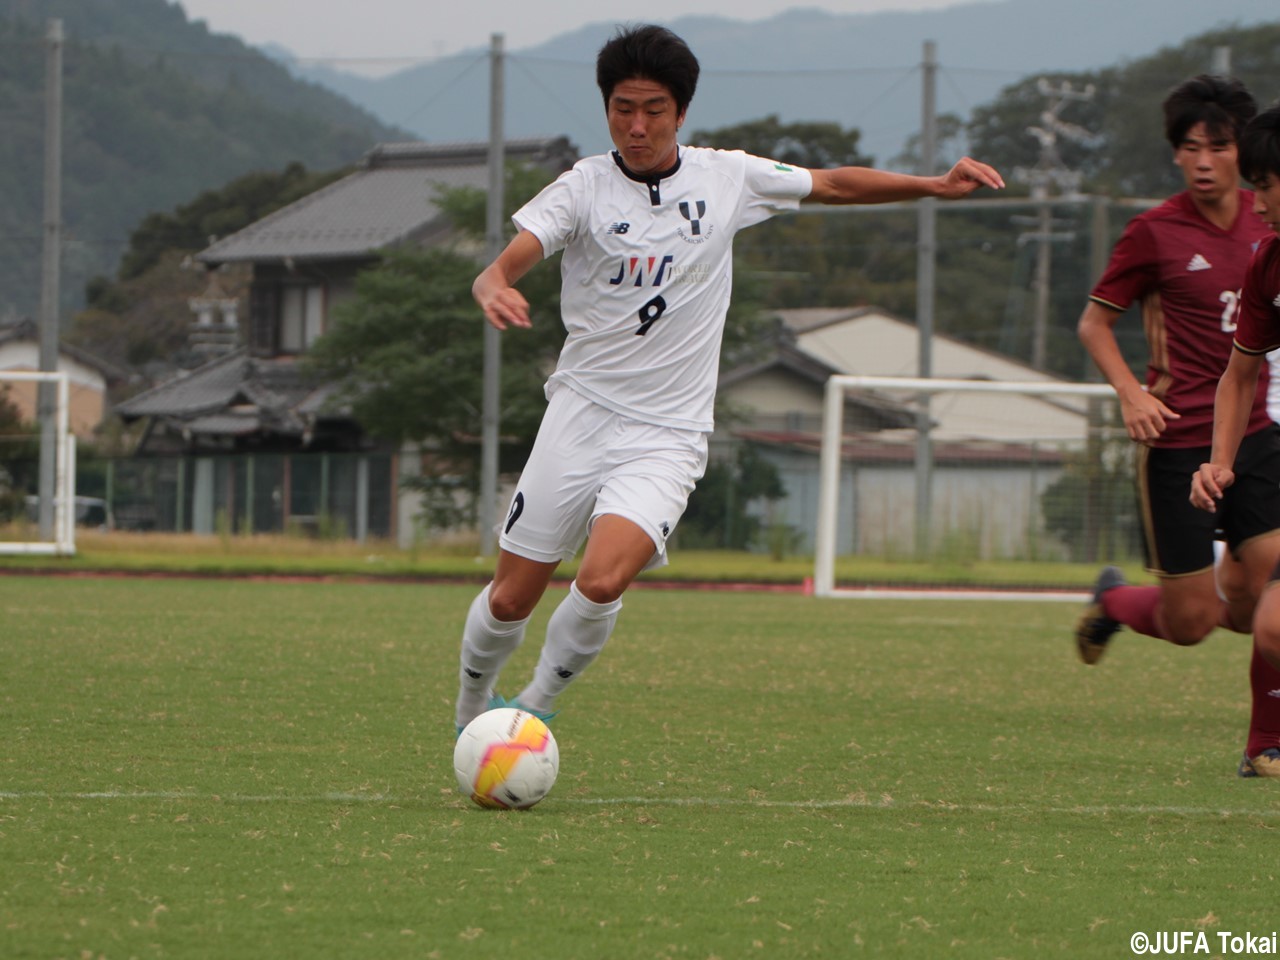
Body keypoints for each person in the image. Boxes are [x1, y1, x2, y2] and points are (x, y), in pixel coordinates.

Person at [454, 24, 1004, 734]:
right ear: (606, 109)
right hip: (580, 415)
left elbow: (833, 184)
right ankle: (472, 706)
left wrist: (934, 184)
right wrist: (493, 281)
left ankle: (532, 709)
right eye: (623, 107)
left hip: (669, 433)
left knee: (601, 580)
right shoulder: (583, 187)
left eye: (654, 108)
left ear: (682, 112)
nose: (637, 124)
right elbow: (511, 257)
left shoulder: (727, 177)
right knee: (509, 599)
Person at [1073, 75, 1280, 777]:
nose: (1201, 161)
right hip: (1176, 440)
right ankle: (1114, 599)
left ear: (1242, 153)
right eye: (1188, 148)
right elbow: (1095, 323)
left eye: (1217, 147)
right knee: (1193, 623)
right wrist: (1132, 392)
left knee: (1269, 606)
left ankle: (1263, 746)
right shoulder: (1155, 230)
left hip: (1257, 436)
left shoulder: (1270, 221)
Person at [1191, 102, 1280, 777]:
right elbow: (1240, 373)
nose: (1258, 201)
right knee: (1261, 621)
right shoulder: (1269, 264)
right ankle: (1264, 743)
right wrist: (1219, 462)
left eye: (1267, 184)